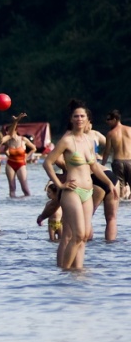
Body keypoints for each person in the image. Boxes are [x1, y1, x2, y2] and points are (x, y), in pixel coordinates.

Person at [44, 100, 114, 270]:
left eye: (82, 116)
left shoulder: (89, 141)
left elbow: (94, 167)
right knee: (78, 234)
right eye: (76, 116)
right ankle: (66, 272)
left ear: (87, 119)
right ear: (71, 119)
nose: (79, 119)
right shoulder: (67, 140)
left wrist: (109, 184)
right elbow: (47, 162)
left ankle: (78, 273)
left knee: (84, 237)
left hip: (88, 192)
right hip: (72, 192)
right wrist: (60, 184)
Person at [2, 114, 36, 197]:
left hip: (21, 164)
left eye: (9, 130)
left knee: (25, 188)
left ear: (15, 130)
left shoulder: (23, 139)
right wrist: (7, 154)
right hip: (10, 164)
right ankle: (13, 205)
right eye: (7, 131)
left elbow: (33, 148)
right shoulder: (8, 141)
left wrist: (26, 157)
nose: (8, 133)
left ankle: (25, 203)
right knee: (12, 187)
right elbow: (5, 149)